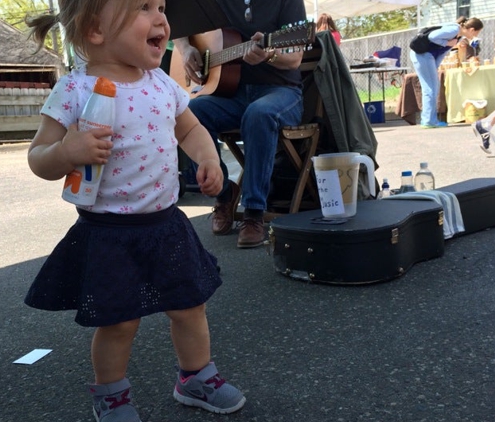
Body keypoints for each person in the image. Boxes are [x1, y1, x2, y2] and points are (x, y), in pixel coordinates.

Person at [23, 1, 246, 421]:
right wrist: (65, 151)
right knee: (119, 322)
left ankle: (195, 377)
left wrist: (208, 158)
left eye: (160, 6)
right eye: (144, 7)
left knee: (189, 305)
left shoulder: (160, 82)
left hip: (165, 223)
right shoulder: (75, 89)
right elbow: (37, 157)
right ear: (95, 30)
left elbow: (190, 128)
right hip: (108, 231)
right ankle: (111, 395)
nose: (161, 18)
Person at [173, 0, 307, 249]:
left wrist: (269, 54)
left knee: (258, 114)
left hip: (281, 91)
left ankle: (254, 212)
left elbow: (295, 57)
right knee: (190, 112)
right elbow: (179, 19)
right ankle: (224, 193)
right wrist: (185, 49)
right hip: (231, 94)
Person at [409, 17, 484, 129]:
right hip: (422, 55)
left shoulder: (458, 37)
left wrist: (435, 66)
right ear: (472, 29)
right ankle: (429, 121)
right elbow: (432, 36)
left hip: (427, 56)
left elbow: (442, 53)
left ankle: (429, 119)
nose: (476, 35)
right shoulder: (454, 30)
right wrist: (447, 42)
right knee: (430, 88)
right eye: (477, 32)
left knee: (433, 87)